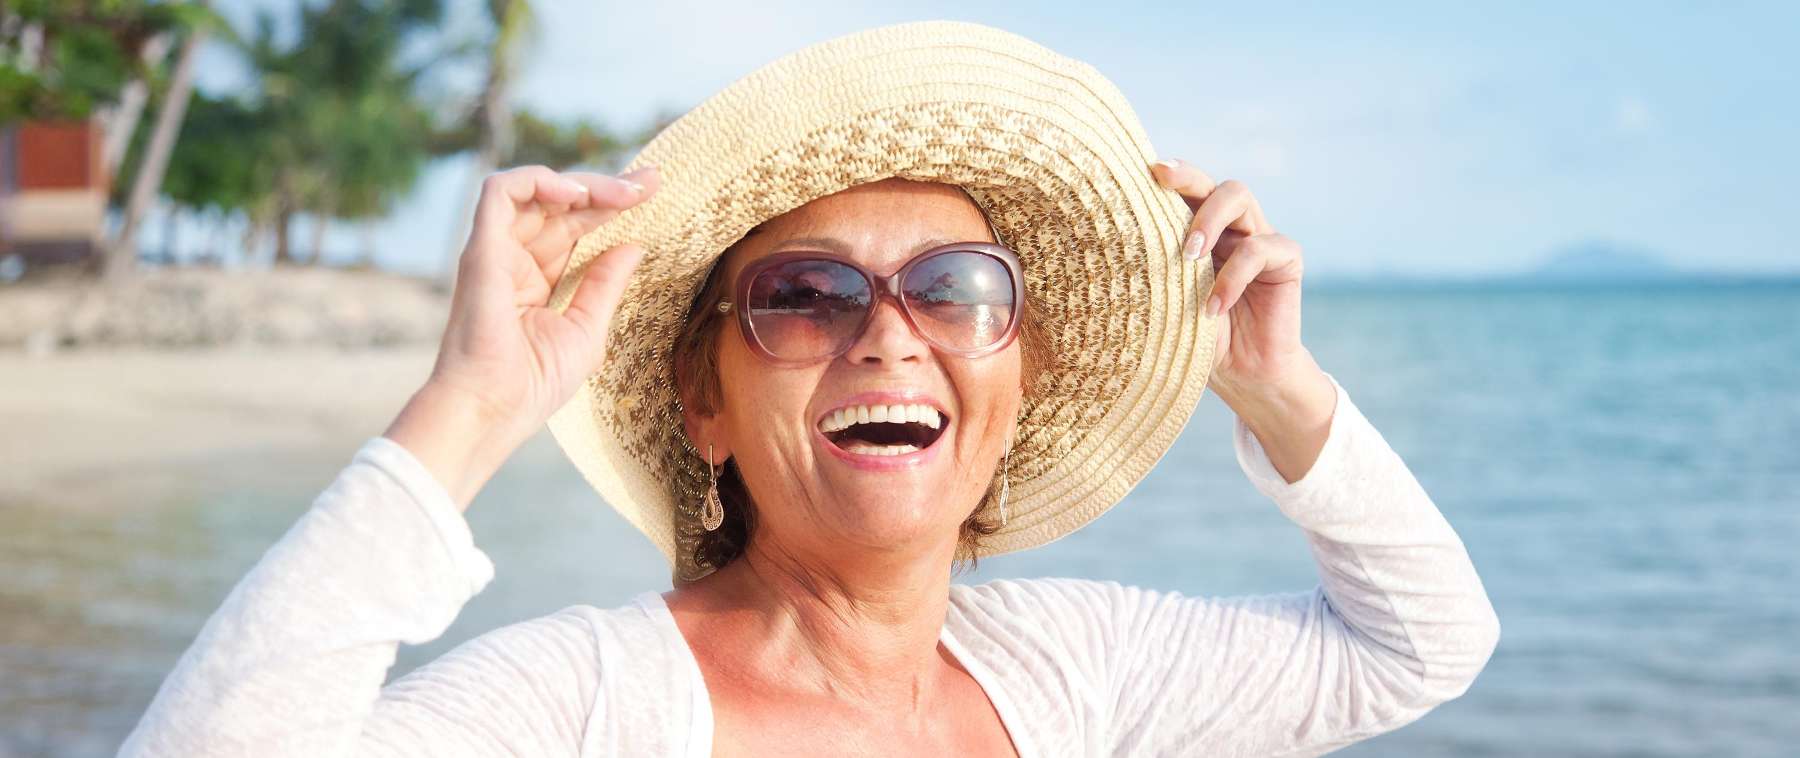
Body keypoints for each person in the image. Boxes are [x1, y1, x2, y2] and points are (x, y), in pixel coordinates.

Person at [122, 21, 1497, 757]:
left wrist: (1276, 387)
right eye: (804, 296)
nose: (890, 335)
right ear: (704, 404)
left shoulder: (1070, 672)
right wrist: (471, 408)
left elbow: (1419, 646)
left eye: (955, 288)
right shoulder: (592, 703)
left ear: (1016, 380)